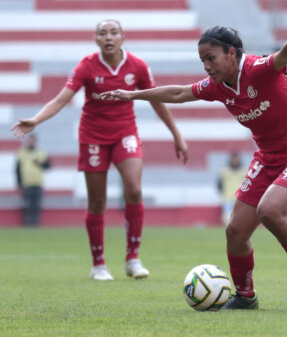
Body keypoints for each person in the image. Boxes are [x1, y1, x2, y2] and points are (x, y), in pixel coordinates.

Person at [101, 6, 287, 310]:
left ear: (231, 54)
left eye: (211, 58)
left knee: (270, 210)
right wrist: (133, 95)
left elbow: (286, 55)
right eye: (202, 61)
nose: (206, 67)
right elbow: (179, 94)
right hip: (269, 157)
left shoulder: (258, 70)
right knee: (235, 231)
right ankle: (245, 296)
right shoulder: (218, 87)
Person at [11, 19, 189, 281]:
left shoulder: (137, 66)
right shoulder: (87, 66)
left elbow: (157, 101)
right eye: (102, 33)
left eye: (113, 32)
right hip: (93, 137)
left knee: (134, 189)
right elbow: (61, 99)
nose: (108, 37)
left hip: (125, 134)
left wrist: (176, 135)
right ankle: (99, 264)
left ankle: (133, 259)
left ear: (122, 38)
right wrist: (36, 120)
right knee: (97, 201)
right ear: (96, 39)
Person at [15, 133, 50, 227]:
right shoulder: (22, 153)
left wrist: (39, 163)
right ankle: (27, 224)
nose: (31, 142)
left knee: (37, 206)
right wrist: (19, 182)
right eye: (30, 140)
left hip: (38, 183)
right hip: (27, 184)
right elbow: (17, 169)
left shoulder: (41, 153)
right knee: (27, 205)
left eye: (33, 140)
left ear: (35, 141)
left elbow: (48, 166)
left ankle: (36, 224)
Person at [217, 151, 246, 224]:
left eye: (236, 159)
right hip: (228, 199)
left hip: (240, 199)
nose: (235, 161)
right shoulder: (224, 172)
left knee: (240, 220)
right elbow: (219, 185)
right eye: (233, 159)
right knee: (228, 219)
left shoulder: (244, 172)